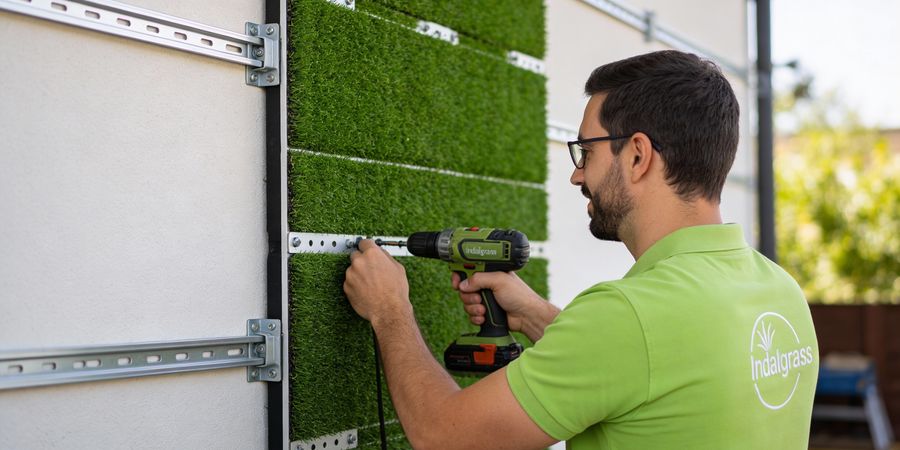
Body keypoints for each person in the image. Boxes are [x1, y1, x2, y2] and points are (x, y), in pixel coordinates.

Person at [343, 50, 819, 449]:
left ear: (637, 155)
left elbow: (442, 436)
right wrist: (534, 316)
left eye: (585, 152)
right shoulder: (779, 290)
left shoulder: (629, 316)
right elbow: (653, 374)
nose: (576, 175)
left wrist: (390, 310)